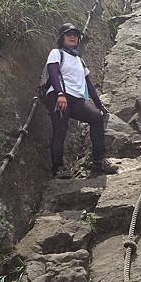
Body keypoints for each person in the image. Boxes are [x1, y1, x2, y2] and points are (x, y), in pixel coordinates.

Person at [44, 23, 118, 178]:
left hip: (77, 99)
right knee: (60, 130)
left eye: (76, 35)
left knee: (96, 117)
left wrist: (99, 105)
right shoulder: (56, 53)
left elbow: (89, 85)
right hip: (59, 95)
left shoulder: (80, 60)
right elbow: (52, 72)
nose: (73, 37)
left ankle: (98, 161)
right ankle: (58, 169)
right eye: (68, 34)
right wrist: (60, 94)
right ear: (61, 38)